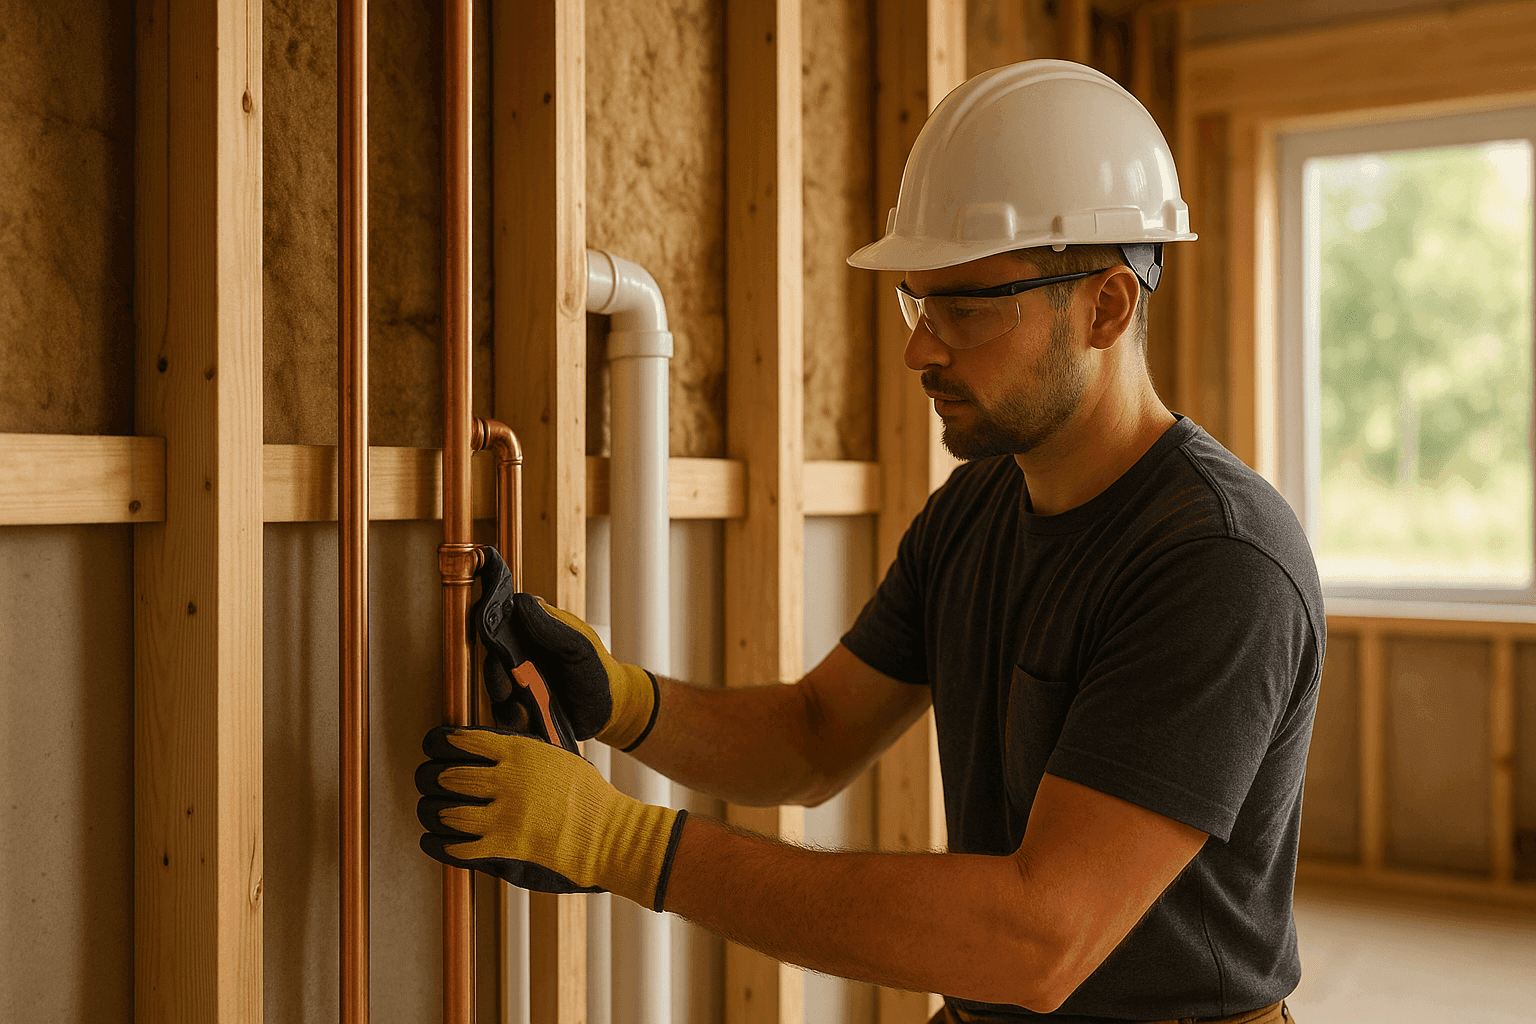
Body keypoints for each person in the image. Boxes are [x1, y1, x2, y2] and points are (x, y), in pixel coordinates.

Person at [415, 59, 1322, 1024]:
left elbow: (1037, 938)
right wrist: (624, 701)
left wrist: (620, 844)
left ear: (1106, 306)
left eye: (967, 308)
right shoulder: (974, 510)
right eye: (918, 303)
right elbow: (815, 734)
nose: (920, 348)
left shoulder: (1217, 563)